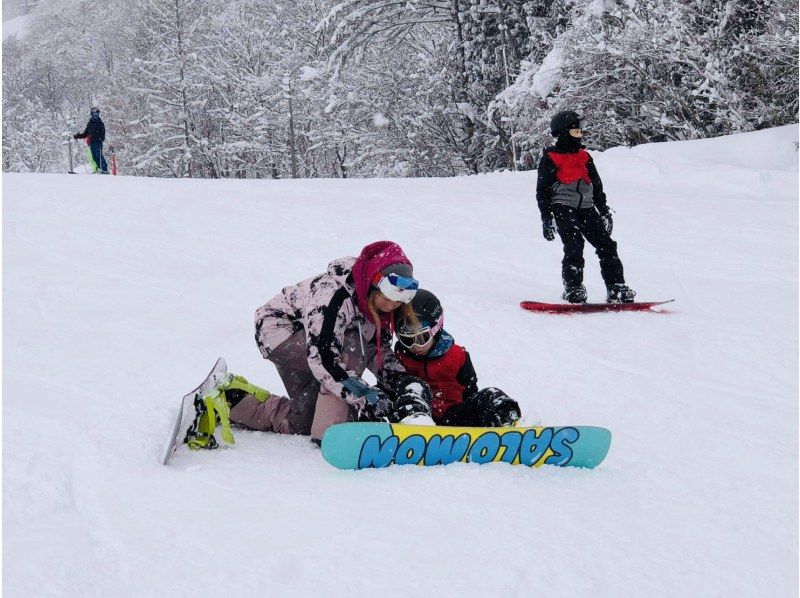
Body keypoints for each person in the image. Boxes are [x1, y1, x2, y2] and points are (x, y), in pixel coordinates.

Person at [187, 241, 435, 450]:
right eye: (388, 299)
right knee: (349, 350)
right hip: (280, 333)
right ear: (374, 284)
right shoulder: (333, 296)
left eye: (398, 302)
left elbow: (375, 350)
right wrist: (365, 396)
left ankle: (230, 397)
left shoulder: (377, 305)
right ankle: (332, 432)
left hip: (317, 344)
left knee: (302, 420)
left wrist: (403, 382)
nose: (391, 307)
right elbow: (324, 360)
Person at [536, 110, 636, 303]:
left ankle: (616, 286)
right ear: (563, 132)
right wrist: (547, 218)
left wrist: (604, 210)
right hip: (563, 207)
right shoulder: (551, 157)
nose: (580, 135)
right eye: (576, 132)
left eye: (581, 131)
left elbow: (596, 186)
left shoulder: (584, 156)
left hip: (587, 207)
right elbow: (543, 192)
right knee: (574, 245)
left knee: (606, 245)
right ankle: (573, 288)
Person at [393, 289, 521, 427]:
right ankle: (416, 423)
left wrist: (478, 413)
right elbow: (390, 387)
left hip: (453, 418)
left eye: (421, 338)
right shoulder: (401, 355)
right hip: (418, 416)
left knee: (490, 394)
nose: (414, 346)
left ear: (436, 329)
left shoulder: (457, 356)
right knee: (413, 386)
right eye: (407, 340)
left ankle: (508, 425)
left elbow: (470, 392)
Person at [74, 107, 108, 174]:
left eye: (97, 114)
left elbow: (103, 132)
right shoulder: (90, 124)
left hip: (98, 142)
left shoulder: (100, 123)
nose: (95, 115)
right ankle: (99, 169)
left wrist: (101, 138)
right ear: (91, 114)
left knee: (98, 155)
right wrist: (78, 136)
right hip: (92, 143)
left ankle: (104, 169)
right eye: (94, 114)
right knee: (94, 157)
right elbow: (85, 134)